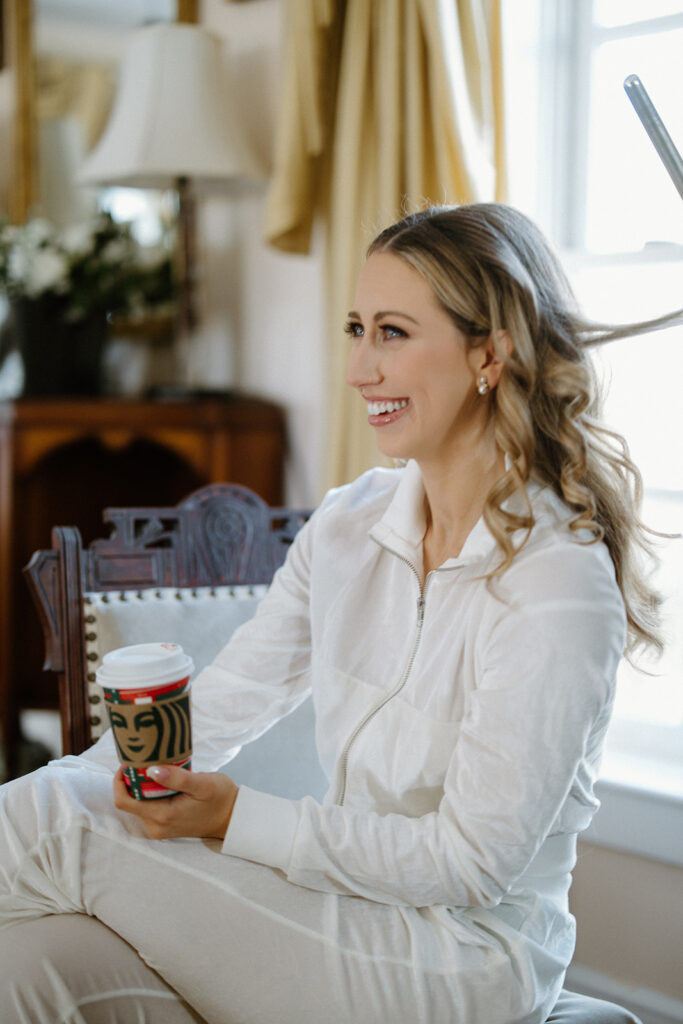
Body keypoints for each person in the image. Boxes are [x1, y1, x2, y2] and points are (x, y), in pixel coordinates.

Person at [0, 203, 668, 1024]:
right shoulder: (350, 524)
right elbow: (222, 706)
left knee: (57, 829)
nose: (358, 369)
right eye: (356, 329)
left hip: (461, 964)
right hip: (335, 910)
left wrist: (235, 816)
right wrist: (101, 783)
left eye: (391, 333)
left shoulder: (555, 582)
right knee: (25, 965)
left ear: (489, 354)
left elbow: (470, 864)